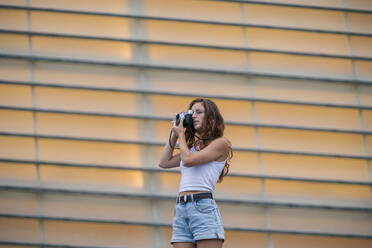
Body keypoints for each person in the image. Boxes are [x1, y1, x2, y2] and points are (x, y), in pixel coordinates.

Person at [159, 98, 233, 248]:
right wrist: (174, 133)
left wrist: (181, 135)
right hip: (181, 208)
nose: (194, 116)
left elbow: (188, 161)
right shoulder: (193, 148)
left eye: (199, 112)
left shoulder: (220, 143)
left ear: (211, 117)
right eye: (192, 113)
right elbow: (164, 162)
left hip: (202, 207)